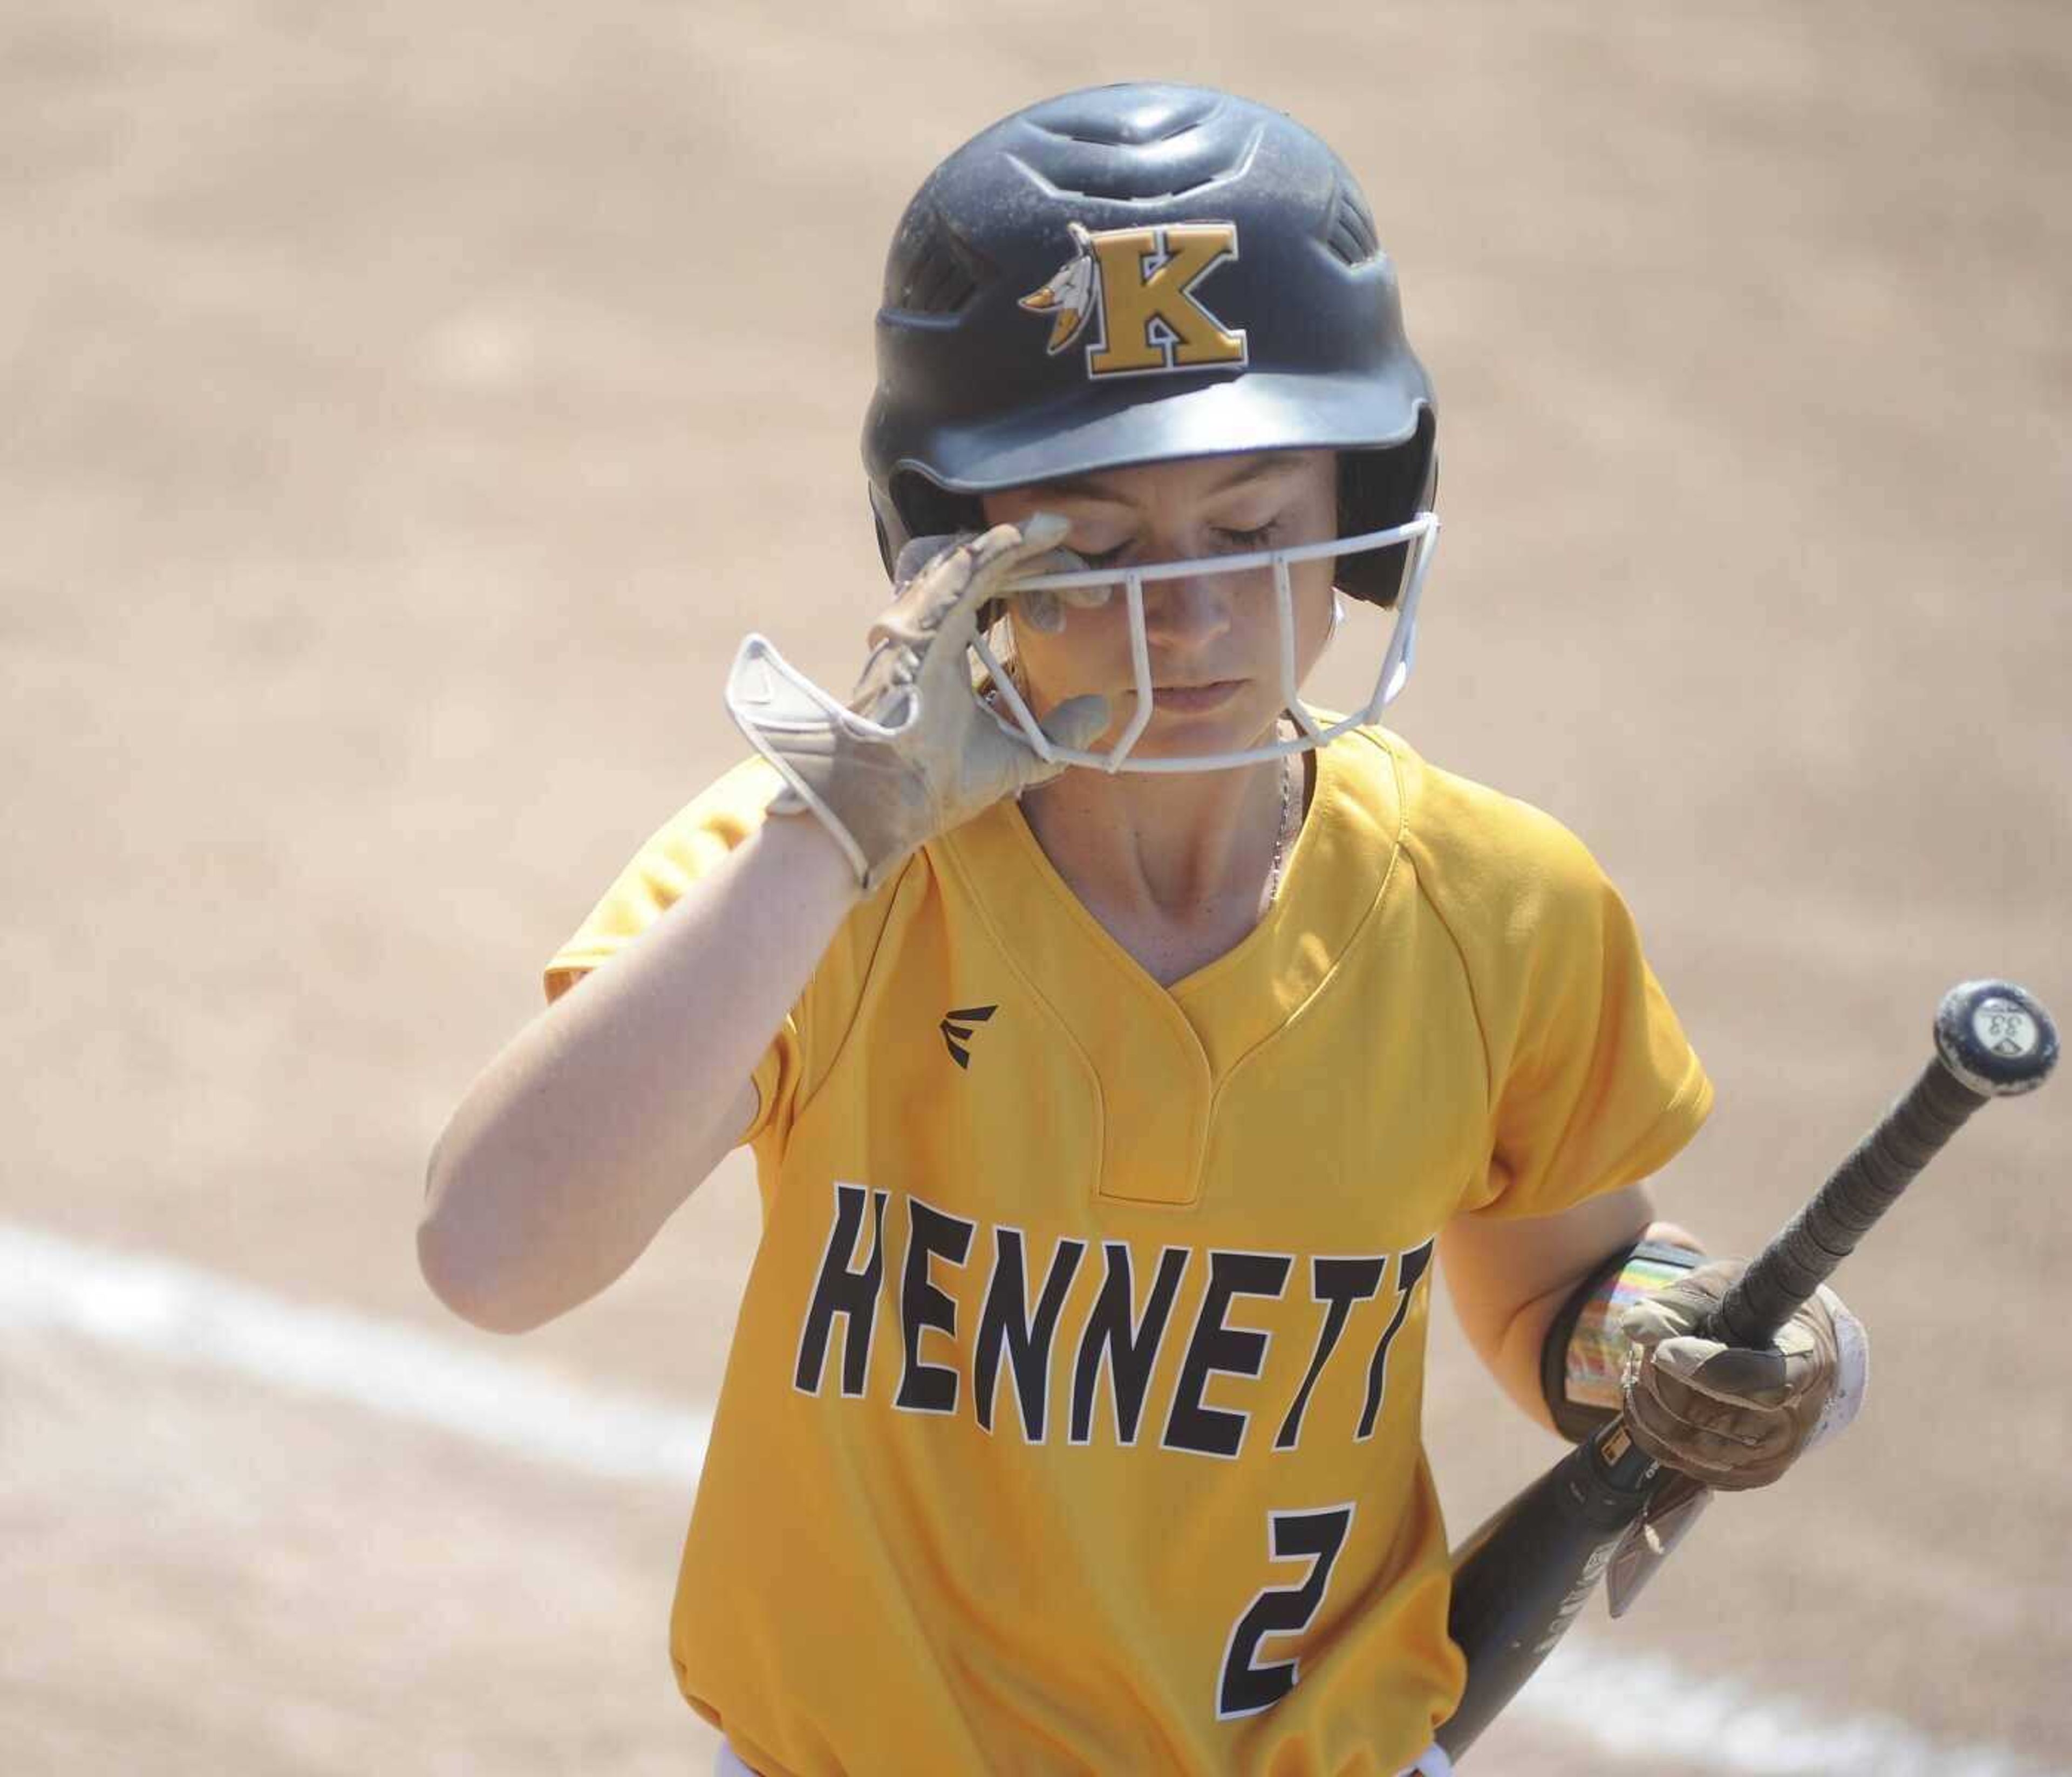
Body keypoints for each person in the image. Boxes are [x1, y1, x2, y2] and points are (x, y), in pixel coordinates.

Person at [420, 82, 1867, 1777]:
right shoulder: (809, 879)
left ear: (1365, 505)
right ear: (945, 562)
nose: (1187, 615)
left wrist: (1684, 1347)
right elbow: (493, 1256)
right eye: (1092, 546)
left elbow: (1563, 1295)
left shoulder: (1493, 910)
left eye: (1251, 530)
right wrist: (836, 837)